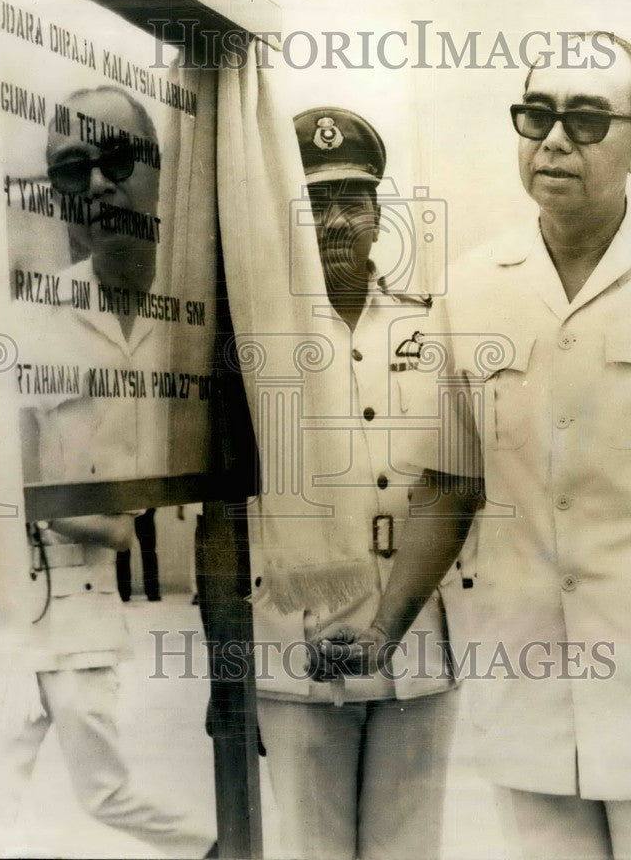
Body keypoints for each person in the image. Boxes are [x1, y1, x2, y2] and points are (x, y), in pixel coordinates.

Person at [315, 36, 631, 859]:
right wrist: (384, 630)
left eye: (588, 119)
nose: (555, 139)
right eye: (538, 115)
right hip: (527, 688)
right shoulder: (473, 287)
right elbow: (449, 485)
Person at [0, 86, 214, 858]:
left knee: (106, 788)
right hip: (23, 604)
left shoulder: (209, 307)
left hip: (150, 613)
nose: (100, 186)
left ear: (160, 173)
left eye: (117, 159)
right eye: (73, 171)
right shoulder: (29, 326)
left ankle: (219, 845)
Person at [249, 107, 474, 860]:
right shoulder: (255, 343)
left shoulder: (431, 326)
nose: (337, 222)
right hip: (297, 641)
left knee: (410, 848)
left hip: (417, 636)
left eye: (353, 201)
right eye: (315, 203)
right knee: (314, 849)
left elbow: (457, 477)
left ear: (381, 215)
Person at [117, 507, 162, 602]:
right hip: (141, 506)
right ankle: (152, 592)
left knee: (123, 550)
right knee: (148, 550)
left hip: (125, 508)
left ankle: (123, 593)